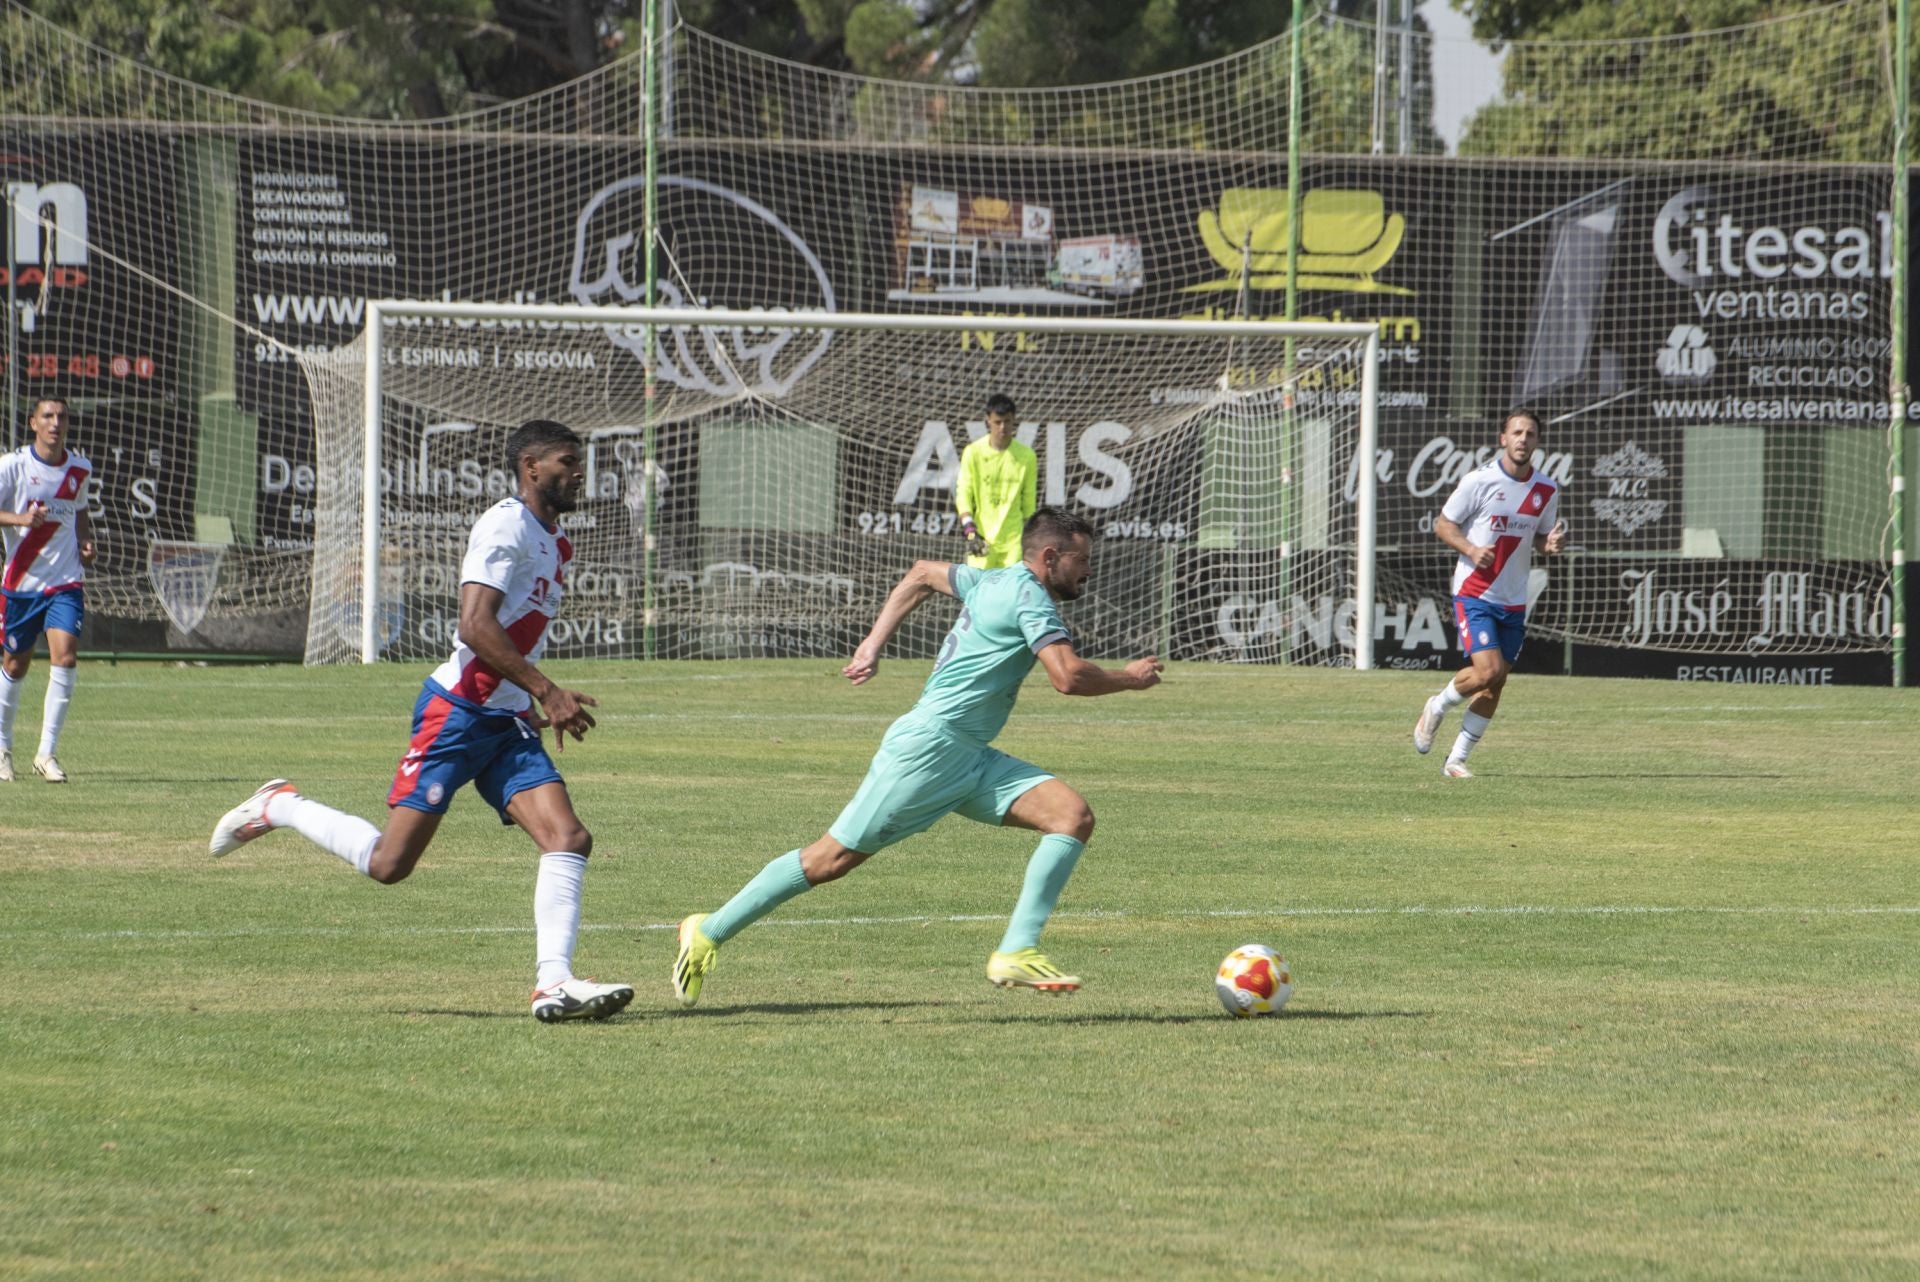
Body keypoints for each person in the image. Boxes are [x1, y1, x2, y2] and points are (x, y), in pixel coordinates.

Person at [209, 420, 634, 1023]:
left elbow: (515, 634)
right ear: (531, 467)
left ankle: (553, 983)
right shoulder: (506, 525)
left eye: (579, 462)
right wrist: (546, 691)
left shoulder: (556, 541)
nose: (578, 473)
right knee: (390, 865)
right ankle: (280, 805)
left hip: (504, 722)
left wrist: (523, 703)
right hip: (456, 715)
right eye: (567, 461)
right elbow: (474, 626)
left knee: (568, 839)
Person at [672, 507, 1162, 1007]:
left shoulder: (992, 580)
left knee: (1071, 816)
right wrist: (1130, 678)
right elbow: (1068, 677)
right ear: (1050, 556)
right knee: (829, 860)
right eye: (1082, 559)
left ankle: (1017, 949)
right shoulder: (1029, 597)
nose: (1089, 570)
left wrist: (872, 645)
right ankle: (708, 931)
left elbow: (922, 573)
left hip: (969, 757)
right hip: (928, 752)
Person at [1413, 408, 1566, 778]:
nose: (1523, 439)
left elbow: (1541, 538)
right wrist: (1470, 549)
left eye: (1530, 434)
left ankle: (1456, 760)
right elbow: (1443, 525)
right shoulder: (1479, 481)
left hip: (1514, 599)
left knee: (1496, 682)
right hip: (1475, 593)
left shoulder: (1546, 489)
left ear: (1537, 441)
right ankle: (1437, 705)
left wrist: (1549, 545)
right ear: (1503, 438)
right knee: (1488, 670)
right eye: (1516, 432)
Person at [0, 398, 95, 784]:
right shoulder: (13, 466)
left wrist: (85, 540)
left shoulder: (80, 468)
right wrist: (20, 518)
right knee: (14, 665)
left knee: (66, 657)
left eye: (62, 417)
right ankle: (3, 748)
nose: (56, 423)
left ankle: (46, 753)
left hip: (65, 581)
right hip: (22, 584)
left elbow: (81, 510)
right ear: (33, 423)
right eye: (48, 416)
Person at [954, 393, 1038, 569]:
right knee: (978, 585)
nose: (1002, 427)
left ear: (1014, 420)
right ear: (988, 420)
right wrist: (969, 528)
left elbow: (1029, 501)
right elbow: (964, 492)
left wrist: (1030, 537)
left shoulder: (1027, 456)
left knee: (1011, 586)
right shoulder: (973, 452)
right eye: (997, 422)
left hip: (1013, 542)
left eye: (1007, 421)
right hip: (982, 538)